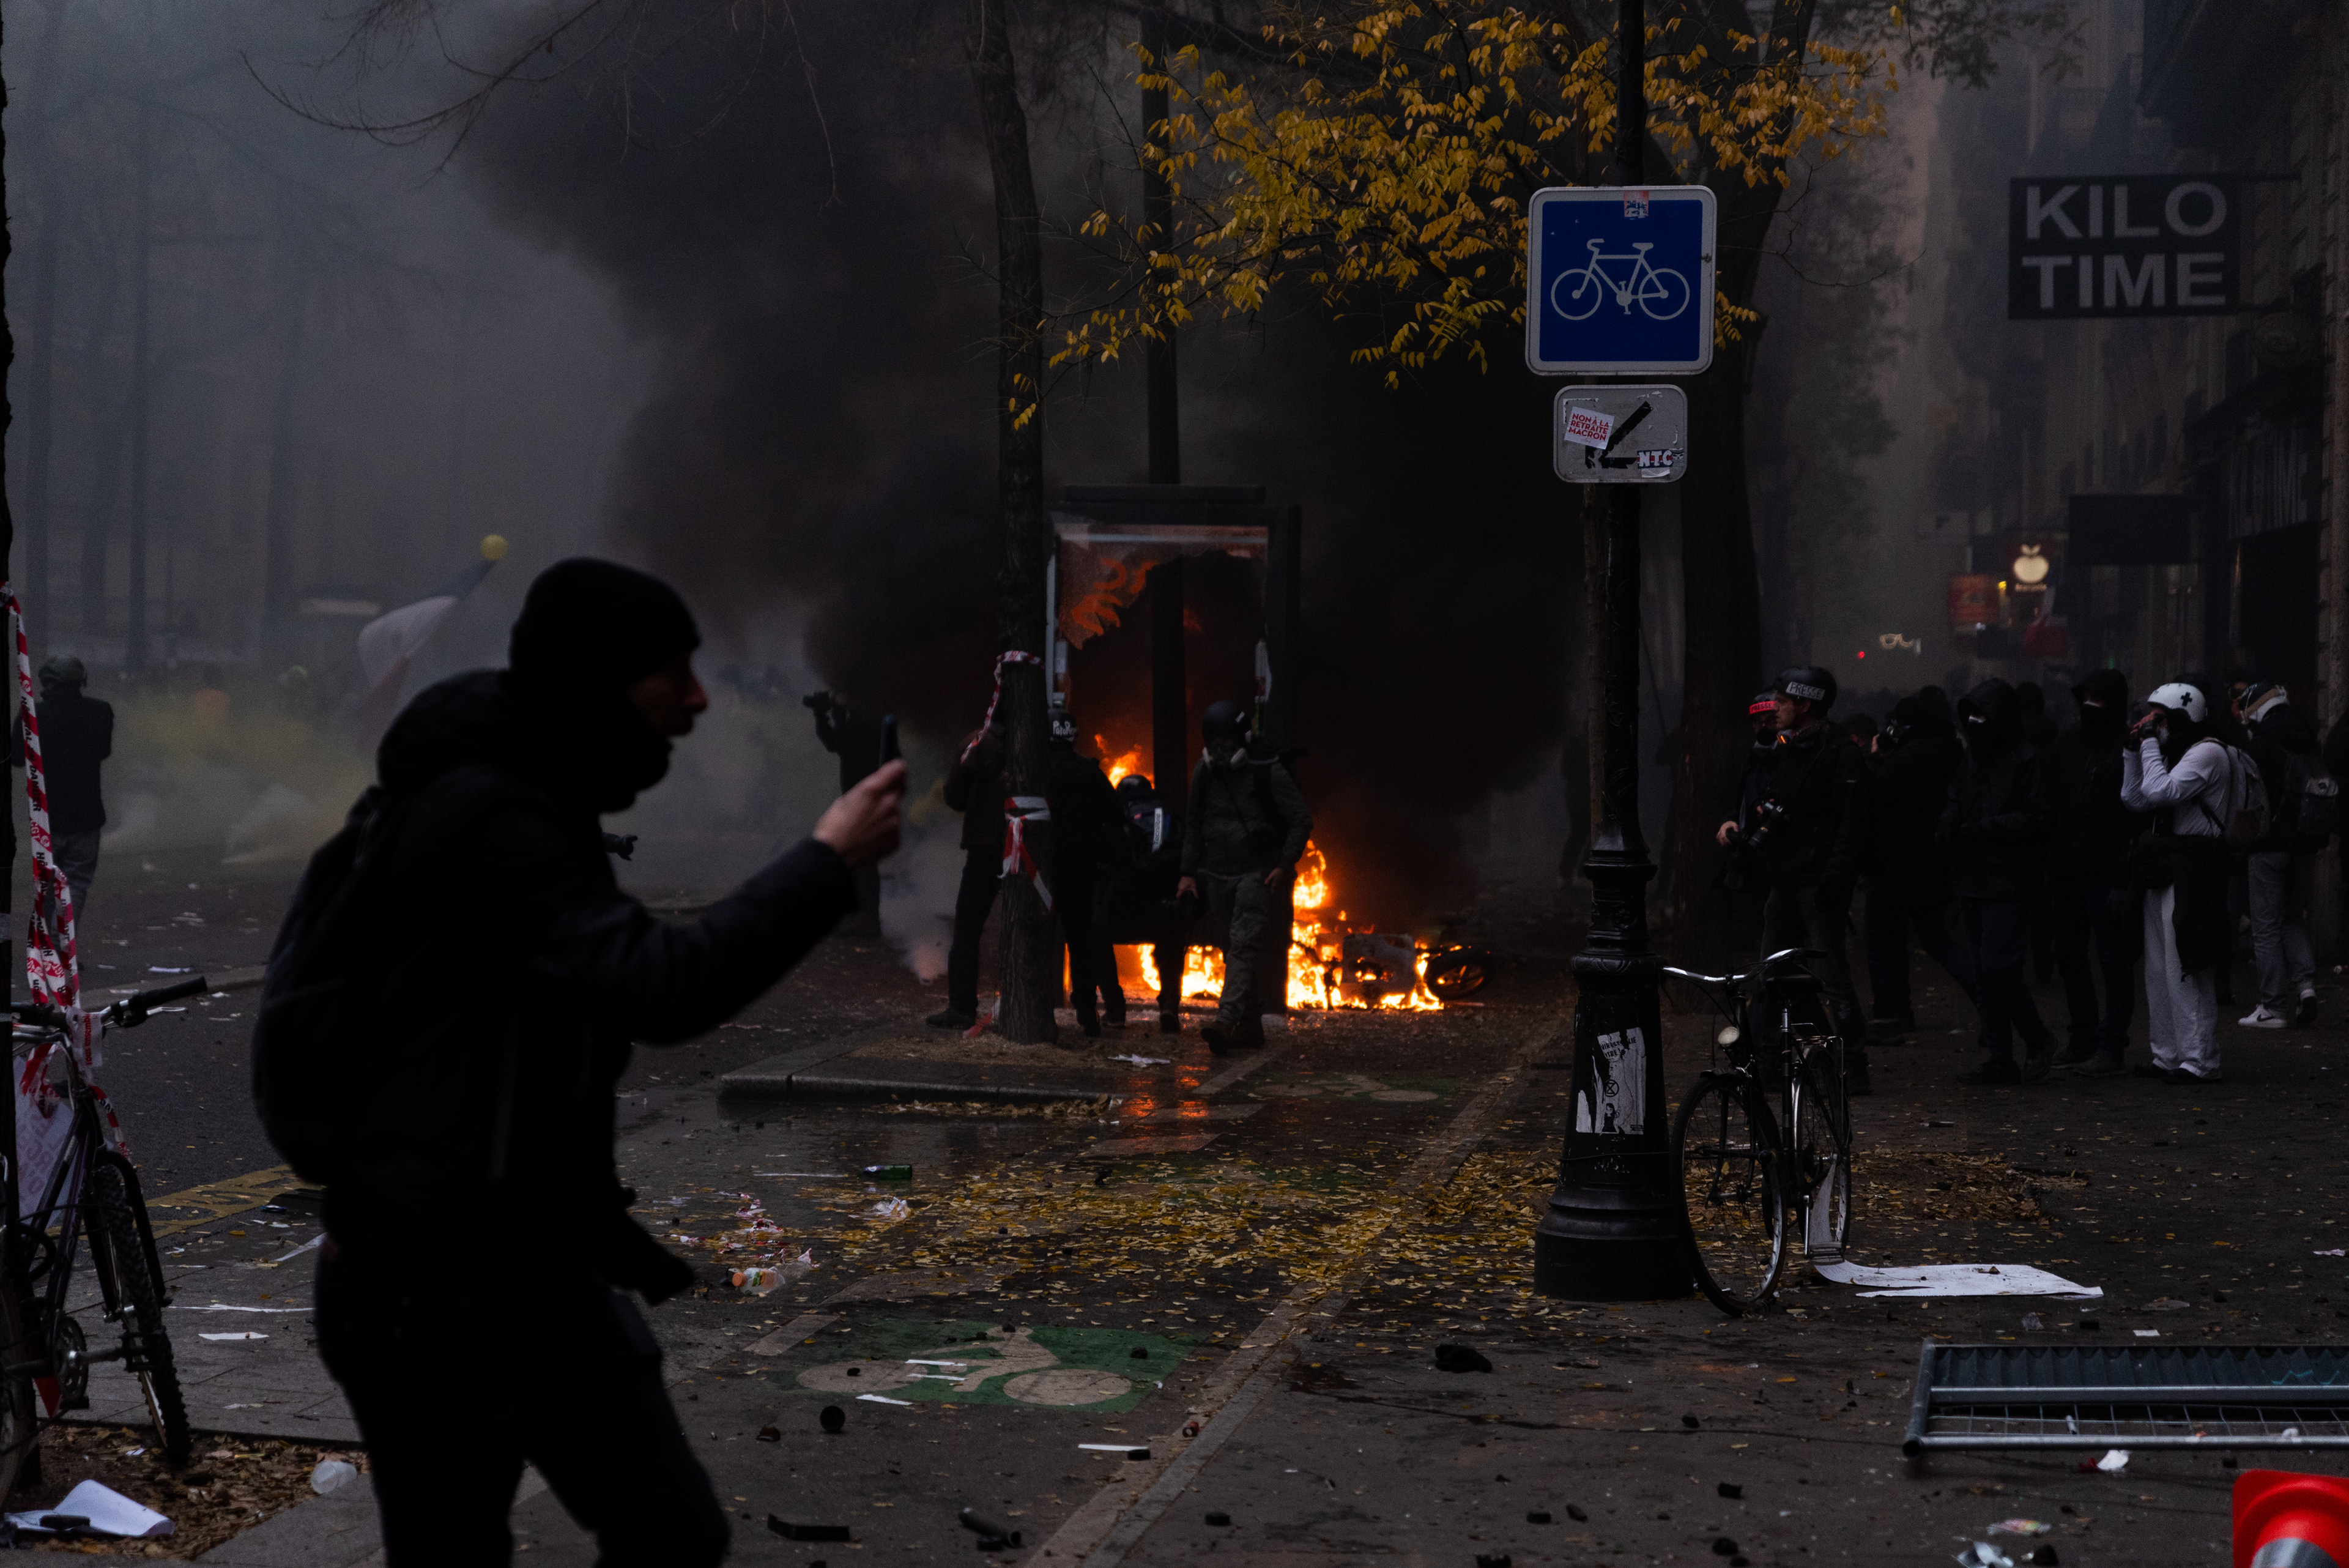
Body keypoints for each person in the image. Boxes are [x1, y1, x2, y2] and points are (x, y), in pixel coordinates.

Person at [308, 559, 905, 1567]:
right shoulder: (486, 818)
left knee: (673, 1530)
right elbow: (659, 985)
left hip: (530, 1267)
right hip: (428, 1286)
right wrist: (824, 862)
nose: (699, 697)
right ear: (595, 682)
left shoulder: (533, 799)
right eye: (672, 671)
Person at [1713, 666, 1874, 1095]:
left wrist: (1835, 881)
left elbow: (1853, 825)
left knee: (1833, 977)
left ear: (1805, 704)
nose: (1776, 709)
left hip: (1818, 884)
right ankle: (1767, 1061)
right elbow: (1776, 805)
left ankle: (1854, 1067)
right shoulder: (1789, 749)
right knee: (1770, 973)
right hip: (1786, 881)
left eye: (1783, 702)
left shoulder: (1840, 753)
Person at [1940, 678, 2060, 1086]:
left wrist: (1986, 828)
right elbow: (1957, 796)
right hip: (1975, 875)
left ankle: (2036, 1037)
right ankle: (2000, 1057)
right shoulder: (1974, 757)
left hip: (2009, 877)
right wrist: (1950, 820)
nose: (1975, 724)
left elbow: (2040, 817)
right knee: (1983, 969)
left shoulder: (2027, 759)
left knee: (1997, 966)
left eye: (1983, 716)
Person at [2120, 681, 2237, 1085]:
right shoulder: (2176, 751)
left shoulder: (2207, 752)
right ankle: (2168, 1055)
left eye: (2161, 719)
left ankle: (2200, 1060)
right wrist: (2132, 752)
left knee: (2187, 965)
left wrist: (2149, 745)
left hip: (2194, 867)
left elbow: (2160, 791)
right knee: (2158, 968)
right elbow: (2135, 798)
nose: (2152, 725)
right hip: (2167, 863)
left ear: (2184, 718)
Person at [1178, 699, 1310, 1055]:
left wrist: (1284, 864)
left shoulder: (1268, 771)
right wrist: (1187, 873)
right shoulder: (1204, 771)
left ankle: (1225, 1021)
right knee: (1233, 951)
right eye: (1214, 741)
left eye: (1227, 740)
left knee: (1242, 946)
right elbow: (1194, 823)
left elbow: (1300, 820)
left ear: (1242, 739)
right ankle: (1251, 1027)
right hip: (1216, 875)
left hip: (1255, 873)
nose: (1220, 748)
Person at [1860, 693, 1976, 1046]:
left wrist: (1876, 758)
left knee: (1882, 940)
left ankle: (1888, 1017)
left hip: (1895, 862)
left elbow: (1873, 796)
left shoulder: (1906, 759)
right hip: (1933, 862)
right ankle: (1990, 1000)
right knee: (1935, 938)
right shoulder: (1952, 752)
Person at [2047, 671, 2142, 1076]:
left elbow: (2133, 815)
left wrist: (2123, 874)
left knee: (2112, 958)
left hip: (2105, 867)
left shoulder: (2128, 746)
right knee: (2069, 954)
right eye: (2086, 697)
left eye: (2098, 698)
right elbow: (2053, 798)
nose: (2090, 705)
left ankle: (2110, 1044)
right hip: (2068, 866)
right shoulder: (2067, 743)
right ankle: (2083, 1037)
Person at [2234, 680, 2321, 1029]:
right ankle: (2307, 987)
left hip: (2269, 845)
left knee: (2266, 927)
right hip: (2306, 842)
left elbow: (2247, 796)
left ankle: (2272, 1008)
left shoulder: (2262, 744)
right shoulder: (2308, 736)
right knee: (2292, 918)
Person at [18, 656, 114, 923]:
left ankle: (46, 942)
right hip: (86, 816)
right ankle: (63, 943)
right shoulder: (100, 711)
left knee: (47, 885)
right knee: (76, 883)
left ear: (48, 682)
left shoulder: (34, 714)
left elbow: (16, 757)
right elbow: (103, 751)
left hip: (46, 816)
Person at [1047, 701, 1121, 1037]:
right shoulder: (1089, 772)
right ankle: (1088, 1014)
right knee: (1080, 941)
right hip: (1081, 868)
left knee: (1040, 937)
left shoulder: (1036, 771)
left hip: (1043, 868)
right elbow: (1115, 813)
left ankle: (1040, 1009)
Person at [933, 718, 1008, 1029]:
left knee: (967, 929)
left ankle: (962, 1008)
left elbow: (955, 796)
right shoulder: (1037, 741)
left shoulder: (977, 743)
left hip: (985, 848)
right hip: (1029, 847)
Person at [1103, 772, 1188, 1031]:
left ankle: (1115, 1010)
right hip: (1165, 906)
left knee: (1096, 935)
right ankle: (1169, 1005)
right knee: (1172, 941)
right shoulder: (1169, 814)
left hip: (1126, 909)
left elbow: (1109, 858)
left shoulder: (1118, 816)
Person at [807, 691, 885, 931]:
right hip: (863, 797)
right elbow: (840, 744)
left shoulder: (865, 722)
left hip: (864, 798)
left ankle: (868, 918)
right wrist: (832, 716)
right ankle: (861, 914)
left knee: (862, 860)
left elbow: (837, 743)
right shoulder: (870, 719)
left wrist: (827, 715)